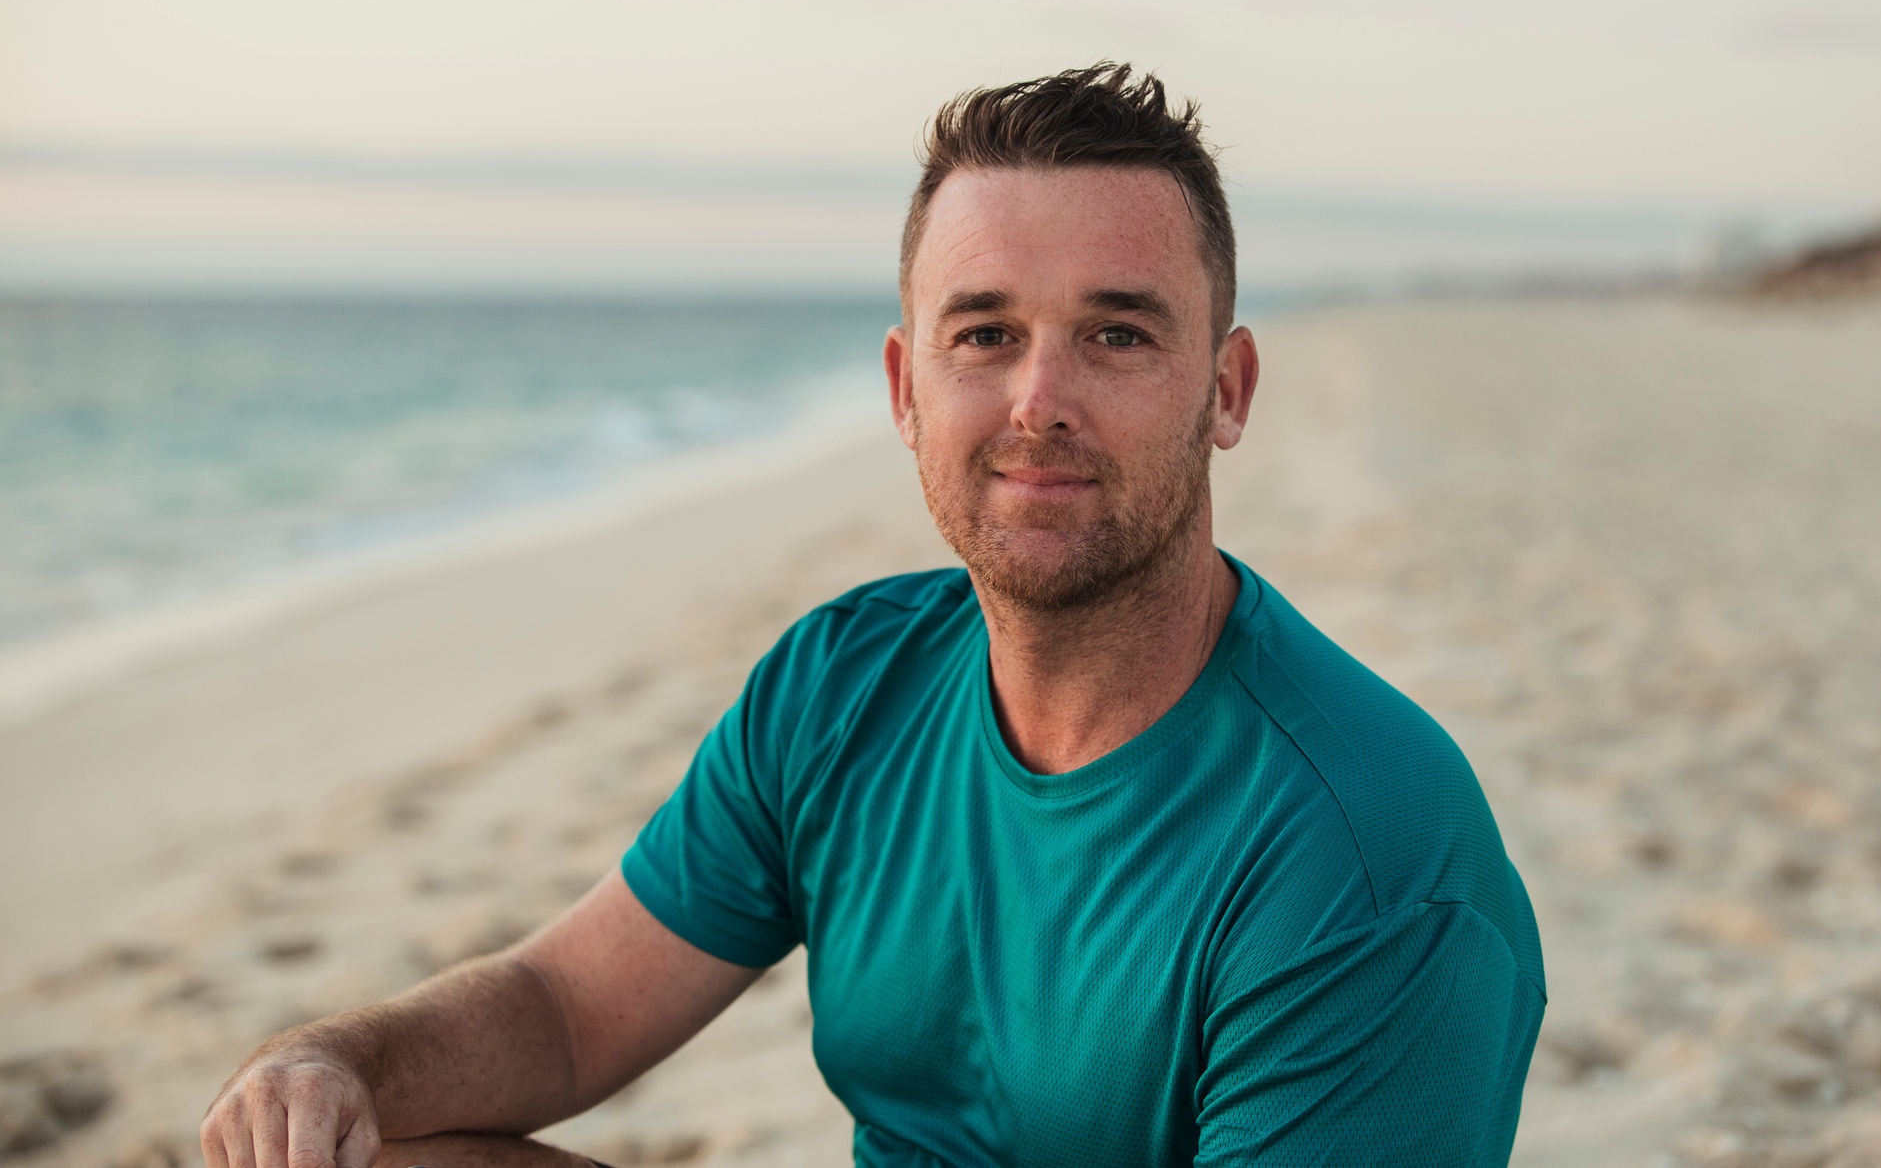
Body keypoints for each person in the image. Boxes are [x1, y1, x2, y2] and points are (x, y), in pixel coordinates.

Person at [202, 63, 1545, 1168]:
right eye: (985, 333)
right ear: (907, 388)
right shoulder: (846, 683)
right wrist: (336, 1060)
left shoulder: (1365, 855)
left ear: (1229, 389)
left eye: (1118, 333)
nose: (1039, 401)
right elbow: (564, 1011)